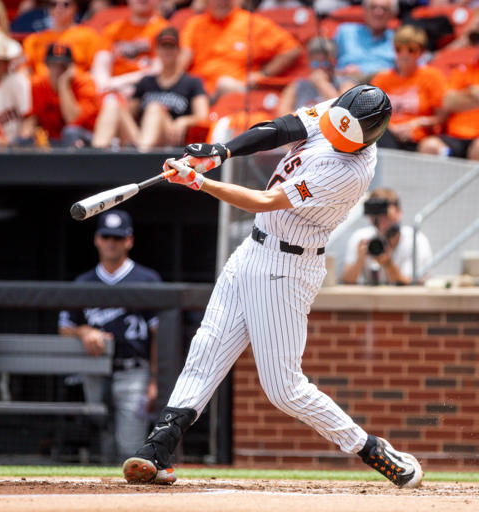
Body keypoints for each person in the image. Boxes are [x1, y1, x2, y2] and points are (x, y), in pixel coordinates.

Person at [121, 85, 424, 490]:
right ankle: (157, 450)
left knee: (284, 388)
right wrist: (221, 151)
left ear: (365, 137)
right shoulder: (340, 111)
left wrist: (199, 182)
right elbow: (283, 127)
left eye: (340, 135)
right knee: (207, 347)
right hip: (252, 250)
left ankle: (370, 448)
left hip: (286, 267)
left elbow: (264, 201)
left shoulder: (347, 172)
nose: (329, 134)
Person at [59, 210, 161, 463]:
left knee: (131, 445)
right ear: (97, 239)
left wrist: (155, 380)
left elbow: (159, 335)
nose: (111, 243)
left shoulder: (147, 280)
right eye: (106, 237)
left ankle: (132, 501)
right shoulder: (83, 282)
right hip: (94, 371)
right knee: (100, 442)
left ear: (129, 241)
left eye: (118, 237)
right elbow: (64, 326)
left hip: (134, 371)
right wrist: (84, 331)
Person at [92, 26, 208, 150]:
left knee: (155, 108)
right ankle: (95, 158)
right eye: (163, 47)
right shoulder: (146, 82)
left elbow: (203, 116)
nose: (167, 51)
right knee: (112, 105)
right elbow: (129, 114)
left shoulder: (192, 82)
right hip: (141, 138)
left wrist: (184, 121)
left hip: (171, 140)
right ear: (157, 50)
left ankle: (143, 159)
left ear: (178, 51)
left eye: (171, 47)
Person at [179, 0, 301, 98]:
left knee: (224, 84)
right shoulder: (194, 24)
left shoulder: (251, 23)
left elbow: (292, 49)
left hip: (232, 92)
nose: (221, 2)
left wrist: (264, 73)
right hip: (197, 93)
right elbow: (184, 57)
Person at [370, 25, 447, 152]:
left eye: (411, 50)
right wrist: (392, 128)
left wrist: (417, 123)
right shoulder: (381, 79)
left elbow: (442, 117)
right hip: (387, 135)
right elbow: (373, 115)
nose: (404, 54)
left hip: (418, 138)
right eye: (399, 49)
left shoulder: (432, 76)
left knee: (432, 146)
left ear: (421, 52)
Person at [341, 188, 433, 285]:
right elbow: (347, 280)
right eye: (375, 216)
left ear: (399, 212)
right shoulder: (360, 238)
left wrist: (388, 264)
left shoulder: (415, 240)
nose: (380, 222)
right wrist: (359, 261)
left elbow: (409, 284)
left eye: (385, 215)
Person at [22, 43, 100, 147]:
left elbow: (72, 119)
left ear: (71, 68)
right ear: (47, 65)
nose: (58, 70)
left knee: (70, 133)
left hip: (84, 139)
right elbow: (32, 118)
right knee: (22, 141)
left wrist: (63, 85)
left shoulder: (84, 83)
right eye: (53, 65)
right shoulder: (37, 85)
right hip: (52, 141)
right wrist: (24, 139)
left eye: (63, 66)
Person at [90, 0, 168, 98]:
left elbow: (158, 70)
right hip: (110, 91)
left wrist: (116, 82)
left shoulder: (164, 30)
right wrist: (105, 85)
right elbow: (100, 65)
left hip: (144, 90)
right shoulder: (113, 29)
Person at [417, 45, 479, 160]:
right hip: (454, 136)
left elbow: (455, 100)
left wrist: (465, 93)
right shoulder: (464, 69)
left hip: (477, 139)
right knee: (430, 146)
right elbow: (448, 101)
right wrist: (474, 93)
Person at [22, 0, 106, 76]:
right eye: (53, 4)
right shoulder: (33, 40)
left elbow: (96, 70)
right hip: (42, 87)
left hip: (76, 86)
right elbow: (24, 70)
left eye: (66, 4)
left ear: (76, 7)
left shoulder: (90, 36)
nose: (59, 8)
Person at [276, 37, 351, 117]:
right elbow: (282, 115)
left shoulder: (345, 84)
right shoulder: (297, 86)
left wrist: (322, 84)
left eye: (326, 63)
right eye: (315, 63)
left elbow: (341, 112)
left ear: (334, 62)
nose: (320, 68)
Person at [334, 0, 398, 83]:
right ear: (364, 10)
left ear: (392, 14)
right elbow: (325, 66)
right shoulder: (345, 32)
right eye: (373, 7)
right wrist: (341, 72)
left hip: (382, 86)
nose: (378, 12)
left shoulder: (397, 40)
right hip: (346, 81)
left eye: (384, 9)